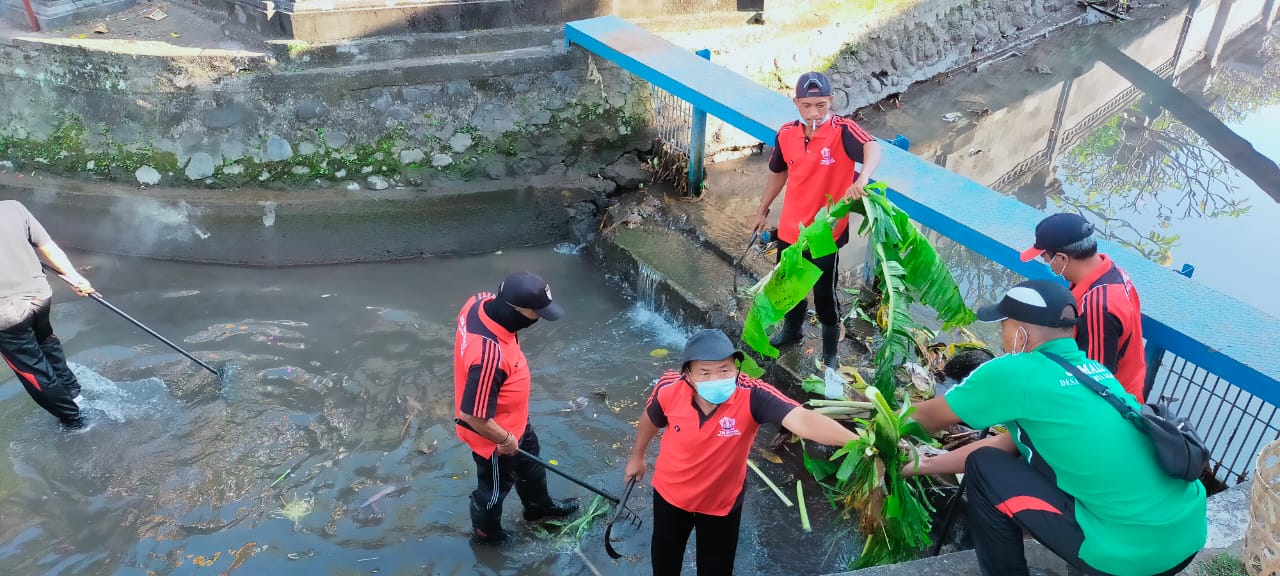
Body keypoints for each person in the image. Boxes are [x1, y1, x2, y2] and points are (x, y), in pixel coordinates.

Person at [904, 280, 1206, 576]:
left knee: (981, 468)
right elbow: (1010, 444)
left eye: (1004, 326)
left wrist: (882, 424)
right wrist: (924, 464)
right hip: (1188, 533)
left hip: (1133, 558)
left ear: (1021, 333)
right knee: (1004, 462)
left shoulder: (1016, 372)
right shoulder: (1094, 371)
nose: (1002, 336)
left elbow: (925, 418)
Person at [624, 329, 858, 576]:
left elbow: (802, 420)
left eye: (724, 369)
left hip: (721, 504)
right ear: (688, 375)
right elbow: (650, 420)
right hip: (670, 495)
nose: (716, 379)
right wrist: (637, 457)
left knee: (716, 570)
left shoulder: (753, 394)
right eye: (705, 372)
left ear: (736, 368)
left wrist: (858, 442)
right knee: (665, 564)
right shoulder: (669, 388)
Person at [752, 71, 883, 369]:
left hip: (825, 232)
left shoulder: (842, 130)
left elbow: (873, 147)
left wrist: (862, 177)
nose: (814, 112)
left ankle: (830, 353)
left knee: (825, 295)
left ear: (831, 101)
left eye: (821, 105)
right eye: (807, 106)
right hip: (791, 228)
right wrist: (762, 210)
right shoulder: (786, 134)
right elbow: (779, 172)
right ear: (796, 103)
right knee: (789, 286)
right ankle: (792, 330)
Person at [453, 271, 577, 544]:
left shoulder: (479, 302)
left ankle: (539, 510)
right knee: (493, 491)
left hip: (515, 420)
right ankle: (487, 536)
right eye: (536, 313)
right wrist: (505, 439)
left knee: (532, 466)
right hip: (493, 437)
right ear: (515, 310)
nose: (538, 319)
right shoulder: (487, 356)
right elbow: (471, 415)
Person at [1020, 212, 1147, 402]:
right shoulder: (1110, 272)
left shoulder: (1097, 309)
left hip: (1113, 406)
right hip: (1130, 383)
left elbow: (1094, 382)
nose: (1048, 265)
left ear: (1061, 259)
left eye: (1045, 258)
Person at [0, 200, 95, 431]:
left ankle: (76, 422)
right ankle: (75, 395)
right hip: (39, 296)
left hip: (7, 314)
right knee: (46, 343)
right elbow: (48, 246)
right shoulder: (13, 208)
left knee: (33, 370)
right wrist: (75, 278)